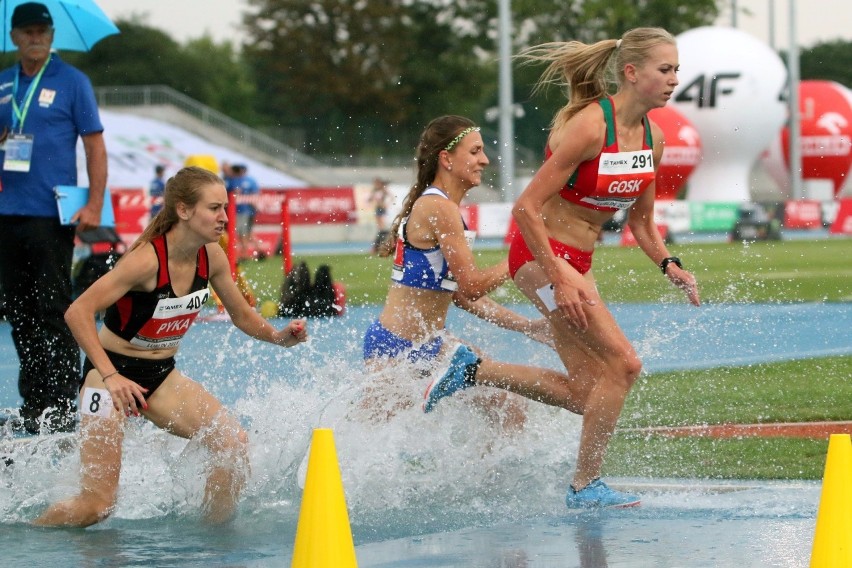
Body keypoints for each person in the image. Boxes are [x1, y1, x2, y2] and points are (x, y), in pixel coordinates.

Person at [33, 166, 308, 527]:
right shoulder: (146, 260)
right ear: (183, 210)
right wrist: (111, 375)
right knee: (96, 506)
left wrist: (277, 336)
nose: (225, 217)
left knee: (232, 446)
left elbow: (241, 315)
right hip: (108, 376)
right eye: (214, 209)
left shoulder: (212, 256)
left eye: (225, 208)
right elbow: (77, 312)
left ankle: (211, 541)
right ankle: (31, 534)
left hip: (160, 376)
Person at [510, 28, 701, 508]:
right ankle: (584, 485)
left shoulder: (654, 139)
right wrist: (557, 275)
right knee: (625, 363)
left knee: (589, 389)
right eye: (665, 69)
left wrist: (669, 264)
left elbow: (641, 222)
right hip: (539, 256)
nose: (674, 79)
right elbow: (525, 208)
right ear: (632, 73)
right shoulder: (592, 126)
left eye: (676, 69)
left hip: (578, 262)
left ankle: (474, 371)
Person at [364, 114, 600, 468]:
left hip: (430, 345)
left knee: (507, 407)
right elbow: (473, 285)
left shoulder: (445, 207)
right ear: (447, 159)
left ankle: (482, 481)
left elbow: (460, 295)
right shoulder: (439, 208)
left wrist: (528, 327)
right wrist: (525, 255)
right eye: (475, 151)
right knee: (362, 451)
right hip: (396, 349)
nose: (485, 160)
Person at [0, 2, 108, 434]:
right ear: (13, 37)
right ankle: (35, 400)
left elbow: (94, 146)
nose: (34, 37)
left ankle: (63, 401)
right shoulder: (4, 83)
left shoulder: (73, 81)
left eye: (41, 30)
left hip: (52, 212)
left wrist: (95, 204)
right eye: (26, 31)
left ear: (52, 34)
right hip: (7, 212)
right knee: (18, 311)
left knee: (55, 308)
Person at [222, 162, 261, 258]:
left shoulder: (234, 180)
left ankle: (244, 254)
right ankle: (257, 251)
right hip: (245, 210)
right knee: (247, 232)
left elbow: (235, 193)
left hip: (241, 210)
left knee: (242, 232)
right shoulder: (245, 180)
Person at [368, 177, 390, 254]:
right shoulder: (374, 191)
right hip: (378, 209)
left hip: (382, 209)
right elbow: (369, 199)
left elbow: (391, 197)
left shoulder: (383, 191)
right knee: (381, 229)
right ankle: (378, 247)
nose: (375, 185)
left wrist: (385, 204)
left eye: (377, 183)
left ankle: (378, 247)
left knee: (382, 230)